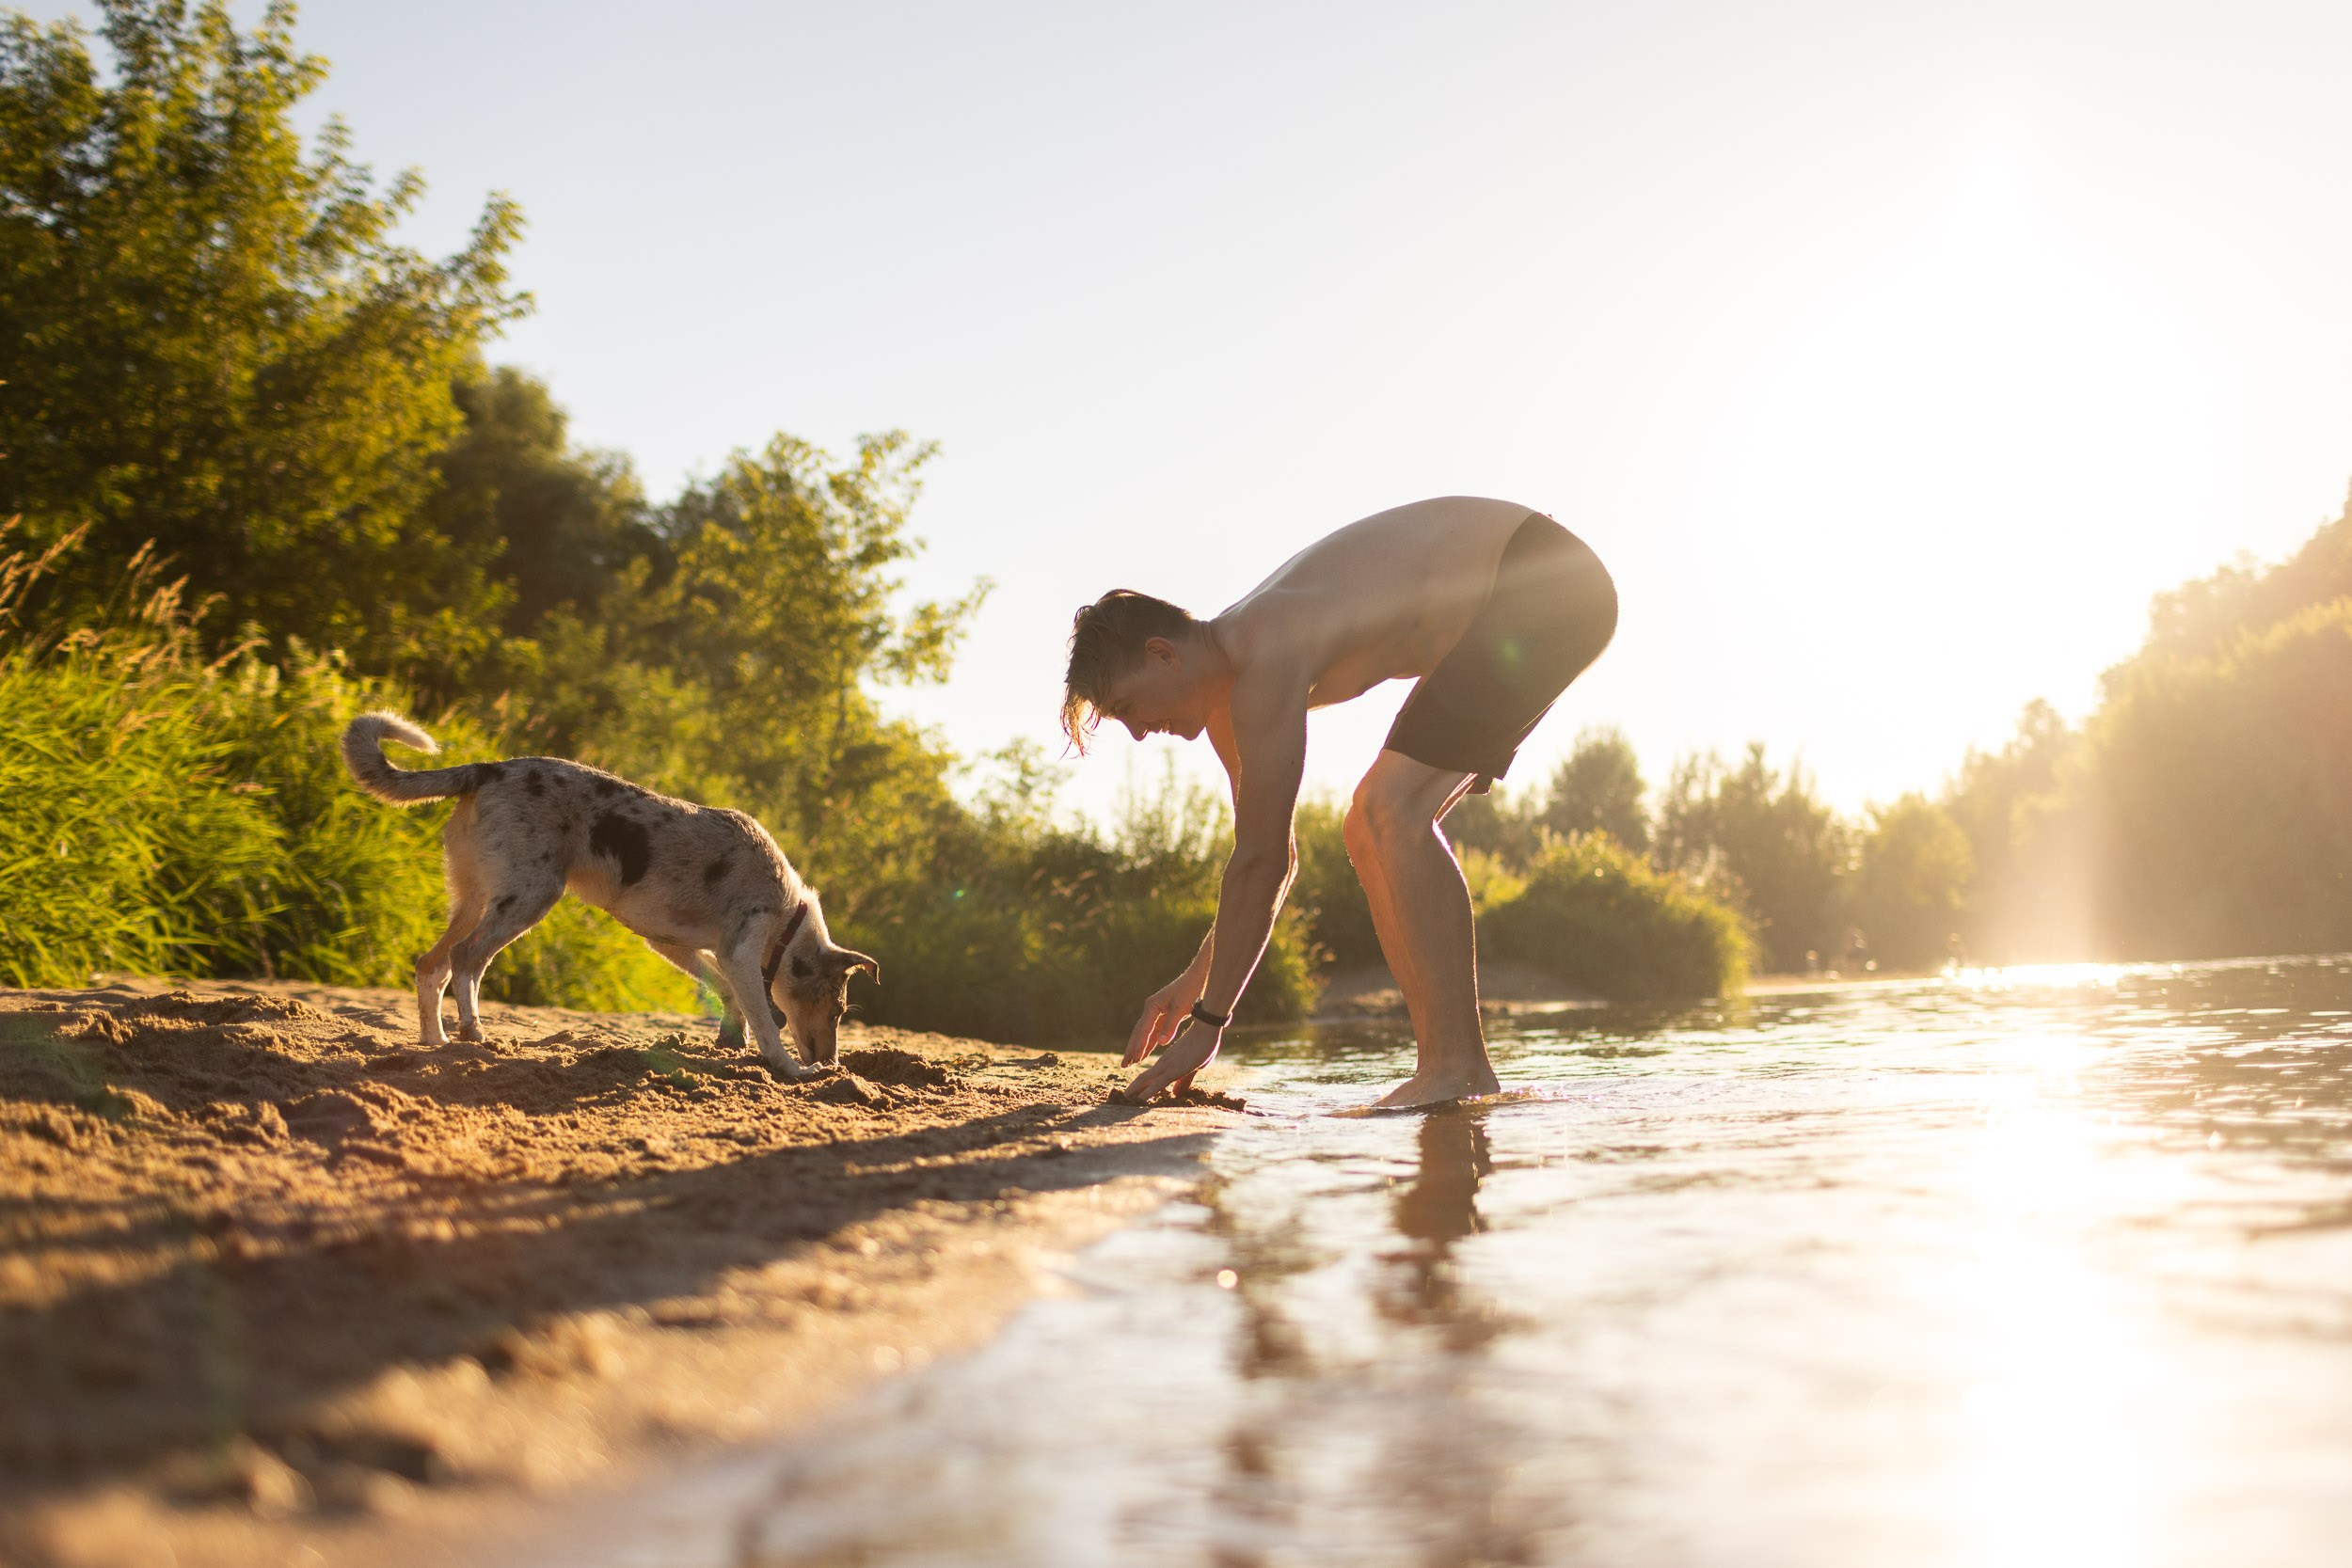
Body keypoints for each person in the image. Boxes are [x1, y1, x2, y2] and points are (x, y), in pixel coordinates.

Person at [1061, 496, 1617, 1108]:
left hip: (1543, 579)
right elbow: (1267, 861)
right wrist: (1200, 983)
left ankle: (1457, 1066)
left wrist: (1209, 1025)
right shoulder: (1231, 701)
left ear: (1162, 653)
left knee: (1392, 808)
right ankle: (1442, 1068)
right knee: (1368, 825)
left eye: (1130, 709)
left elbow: (1263, 861)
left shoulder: (1263, 647)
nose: (1140, 733)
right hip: (1510, 602)